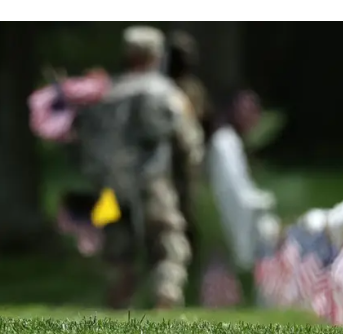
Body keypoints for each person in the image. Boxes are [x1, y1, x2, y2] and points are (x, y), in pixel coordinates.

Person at [74, 25, 204, 310]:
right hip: (152, 182)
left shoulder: (108, 94)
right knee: (168, 242)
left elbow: (87, 143)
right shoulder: (166, 92)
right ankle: (164, 297)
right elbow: (188, 142)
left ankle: (120, 302)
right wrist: (187, 183)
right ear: (156, 56)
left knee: (117, 250)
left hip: (109, 187)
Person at [207, 89, 276, 272]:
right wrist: (264, 201)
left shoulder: (232, 141)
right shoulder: (224, 141)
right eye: (248, 111)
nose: (254, 117)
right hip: (241, 222)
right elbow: (234, 192)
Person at [166, 30, 213, 255]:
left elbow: (204, 120)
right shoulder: (164, 88)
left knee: (186, 205)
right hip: (166, 156)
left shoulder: (193, 88)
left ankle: (188, 250)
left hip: (186, 156)